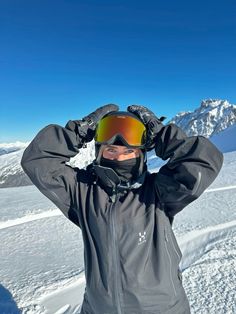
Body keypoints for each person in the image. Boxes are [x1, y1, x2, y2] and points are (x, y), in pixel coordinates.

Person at [21, 104, 223, 314]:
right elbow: (38, 160)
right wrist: (81, 130)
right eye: (111, 150)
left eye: (128, 151)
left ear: (141, 154)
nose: (119, 158)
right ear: (99, 151)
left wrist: (161, 133)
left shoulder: (158, 192)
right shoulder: (83, 192)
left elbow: (204, 160)